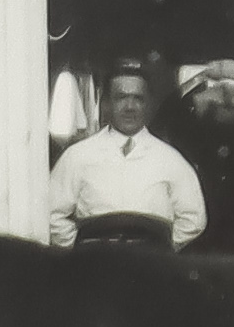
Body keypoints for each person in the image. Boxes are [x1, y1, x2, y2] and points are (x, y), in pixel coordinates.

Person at [48, 60, 206, 250]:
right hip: (95, 265)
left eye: (137, 98)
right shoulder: (77, 156)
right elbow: (51, 213)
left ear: (148, 104)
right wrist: (82, 248)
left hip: (151, 265)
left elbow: (194, 219)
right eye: (121, 97)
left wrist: (160, 249)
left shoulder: (171, 159)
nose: (130, 107)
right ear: (106, 103)